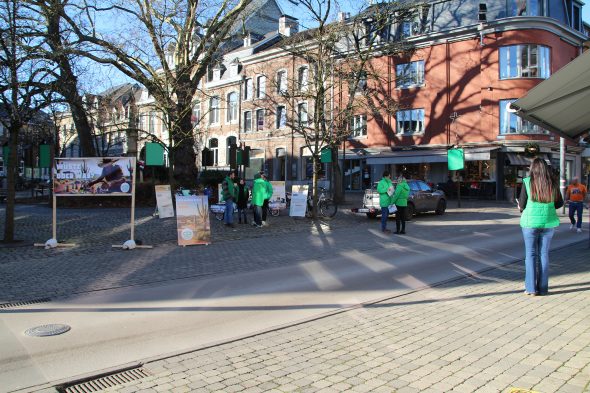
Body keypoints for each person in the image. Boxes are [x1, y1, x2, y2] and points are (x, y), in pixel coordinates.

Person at [518, 158, 563, 296]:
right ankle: (543, 288)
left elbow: (522, 204)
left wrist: (520, 207)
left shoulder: (527, 182)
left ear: (532, 169)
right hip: (548, 223)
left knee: (530, 255)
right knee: (544, 255)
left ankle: (531, 289)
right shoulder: (553, 184)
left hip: (530, 223)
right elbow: (559, 203)